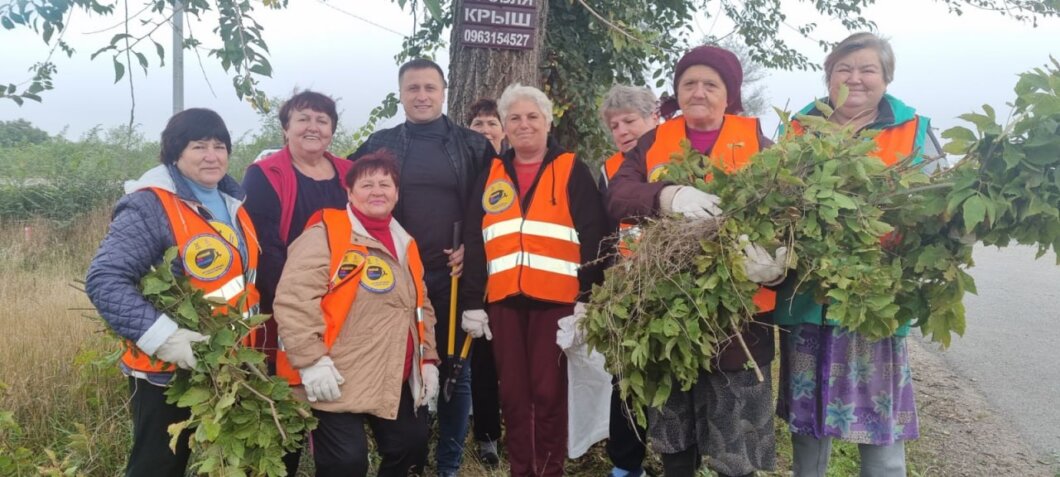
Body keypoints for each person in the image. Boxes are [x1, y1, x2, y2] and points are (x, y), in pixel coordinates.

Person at [606, 45, 787, 477]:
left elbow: (787, 211)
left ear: (730, 94)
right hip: (670, 315)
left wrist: (776, 265)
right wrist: (667, 195)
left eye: (711, 84)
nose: (698, 91)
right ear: (677, 92)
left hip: (739, 323)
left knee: (734, 448)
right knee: (675, 440)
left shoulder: (761, 145)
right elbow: (617, 194)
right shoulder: (655, 141)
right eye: (689, 83)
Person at [775, 32, 941, 477]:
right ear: (828, 78)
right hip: (807, 300)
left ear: (886, 77)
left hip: (873, 303)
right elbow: (772, 201)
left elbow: (940, 217)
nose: (855, 79)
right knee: (806, 422)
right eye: (843, 70)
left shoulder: (914, 131)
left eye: (867, 69)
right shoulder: (797, 128)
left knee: (879, 420)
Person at [86, 108, 259, 477]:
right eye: (198, 146)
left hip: (224, 365)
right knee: (159, 466)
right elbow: (105, 278)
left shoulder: (231, 202)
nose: (212, 155)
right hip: (166, 372)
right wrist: (168, 340)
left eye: (219, 146)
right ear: (175, 153)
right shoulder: (151, 204)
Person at [349, 58, 496, 476]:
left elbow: (492, 207)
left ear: (445, 91)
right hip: (395, 277)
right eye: (413, 88)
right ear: (401, 94)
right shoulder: (381, 142)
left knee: (455, 371)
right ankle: (406, 457)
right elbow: (343, 183)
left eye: (430, 87)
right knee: (401, 363)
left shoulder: (473, 144)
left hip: (450, 276)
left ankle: (447, 464)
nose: (422, 95)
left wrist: (473, 247)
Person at [461, 83, 607, 477]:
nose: (523, 125)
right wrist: (473, 302)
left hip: (557, 304)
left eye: (532, 117)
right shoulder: (490, 172)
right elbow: (476, 240)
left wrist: (587, 297)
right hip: (504, 302)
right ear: (504, 128)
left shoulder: (571, 168)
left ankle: (549, 469)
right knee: (512, 394)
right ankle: (521, 470)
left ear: (547, 122)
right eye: (514, 118)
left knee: (548, 394)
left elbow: (593, 235)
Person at [272, 151, 439, 477]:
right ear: (349, 192)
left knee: (412, 449)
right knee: (346, 463)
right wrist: (310, 360)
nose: (377, 191)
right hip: (334, 375)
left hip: (393, 373)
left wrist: (428, 358)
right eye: (367, 184)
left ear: (396, 193)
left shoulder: (405, 243)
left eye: (385, 184)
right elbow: (294, 300)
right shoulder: (325, 235)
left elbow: (423, 306)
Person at [596, 84, 659, 477]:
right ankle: (625, 463)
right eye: (614, 124)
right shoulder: (608, 169)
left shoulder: (675, 152)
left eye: (629, 120)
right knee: (625, 377)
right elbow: (605, 229)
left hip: (679, 284)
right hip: (625, 285)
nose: (621, 130)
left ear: (654, 117)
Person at [465, 97, 506, 468]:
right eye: (478, 124)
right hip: (475, 281)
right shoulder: (466, 169)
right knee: (480, 364)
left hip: (512, 282)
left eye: (492, 123)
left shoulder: (516, 167)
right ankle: (487, 436)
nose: (486, 130)